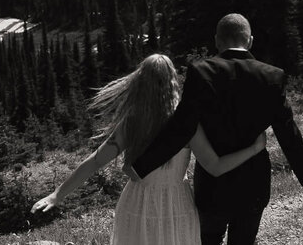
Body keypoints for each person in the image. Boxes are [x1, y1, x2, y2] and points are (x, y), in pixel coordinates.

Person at [32, 54, 267, 245]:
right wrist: (254, 148)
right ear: (173, 80)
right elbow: (215, 166)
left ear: (140, 82)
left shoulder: (132, 121)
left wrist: (57, 195)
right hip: (177, 204)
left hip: (138, 202)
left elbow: (95, 161)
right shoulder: (187, 122)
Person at [129, 14, 303, 245]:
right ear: (249, 41)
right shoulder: (272, 76)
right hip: (253, 183)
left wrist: (142, 167)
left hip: (212, 186)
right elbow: (288, 132)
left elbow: (181, 127)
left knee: (209, 240)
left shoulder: (201, 72)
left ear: (217, 41)